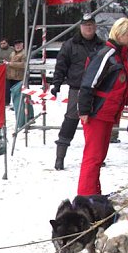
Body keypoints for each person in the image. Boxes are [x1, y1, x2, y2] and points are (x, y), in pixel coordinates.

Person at [76, 17, 128, 195]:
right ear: (119, 34)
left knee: (98, 157)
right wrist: (85, 110)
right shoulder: (107, 54)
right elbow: (88, 83)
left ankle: (93, 193)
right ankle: (86, 196)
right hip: (98, 112)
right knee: (93, 157)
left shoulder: (119, 56)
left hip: (108, 112)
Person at [50, 14, 104, 170]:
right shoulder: (70, 45)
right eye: (86, 25)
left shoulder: (101, 45)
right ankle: (60, 158)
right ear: (81, 27)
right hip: (77, 89)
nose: (89, 28)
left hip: (97, 90)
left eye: (91, 25)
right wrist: (56, 84)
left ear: (95, 27)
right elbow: (61, 66)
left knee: (96, 125)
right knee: (70, 121)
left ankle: (97, 156)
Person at [5, 39, 26, 105]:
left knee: (18, 93)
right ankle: (10, 103)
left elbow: (24, 64)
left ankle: (18, 105)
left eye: (19, 45)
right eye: (16, 45)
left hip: (19, 77)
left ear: (22, 45)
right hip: (10, 76)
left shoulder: (24, 54)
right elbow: (8, 62)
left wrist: (10, 64)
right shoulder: (12, 53)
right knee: (10, 92)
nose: (17, 46)